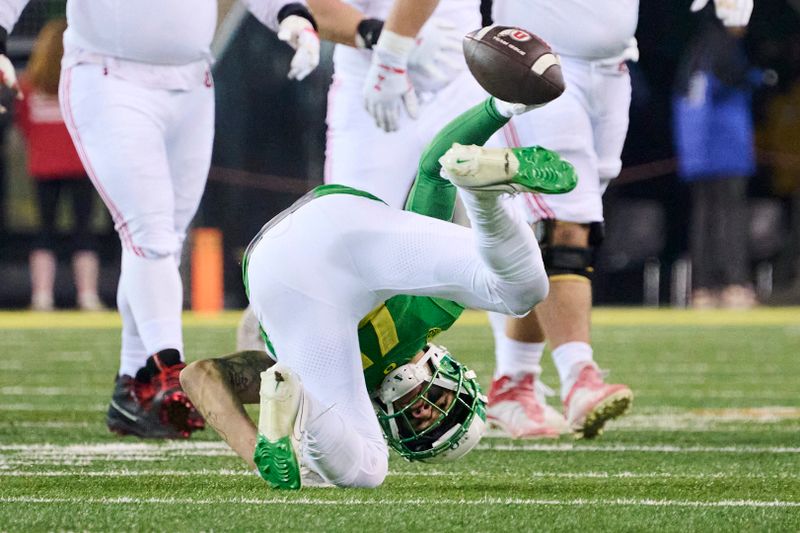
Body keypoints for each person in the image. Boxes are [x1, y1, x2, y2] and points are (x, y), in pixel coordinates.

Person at [181, 96, 578, 489]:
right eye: (442, 405)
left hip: (291, 270)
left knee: (367, 470)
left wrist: (260, 454)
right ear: (449, 374)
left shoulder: (337, 377)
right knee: (522, 293)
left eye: (419, 427)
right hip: (334, 237)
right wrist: (499, 108)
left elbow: (201, 376)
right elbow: (435, 171)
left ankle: (295, 407)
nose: (424, 412)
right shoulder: (434, 308)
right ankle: (485, 192)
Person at [0, 0, 321, 439]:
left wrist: (290, 14)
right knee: (149, 233)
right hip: (110, 77)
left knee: (162, 237)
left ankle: (134, 387)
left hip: (191, 81)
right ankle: (168, 368)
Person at [485, 0, 753, 440]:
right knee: (565, 220)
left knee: (562, 228)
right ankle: (578, 376)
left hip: (611, 69)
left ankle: (514, 382)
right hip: (535, 59)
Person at [236, 0, 491, 349]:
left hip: (461, 65)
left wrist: (393, 47)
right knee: (342, 237)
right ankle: (283, 335)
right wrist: (377, 38)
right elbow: (306, 6)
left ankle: (517, 376)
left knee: (505, 225)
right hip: (366, 75)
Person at [15, 18, 104, 312]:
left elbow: (24, 123)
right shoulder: (85, 84)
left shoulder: (29, 87)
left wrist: (42, 147)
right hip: (81, 165)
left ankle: (42, 295)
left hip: (43, 167)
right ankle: (87, 295)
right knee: (84, 230)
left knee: (45, 231)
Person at [673, 8, 757, 309]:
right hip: (726, 148)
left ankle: (704, 287)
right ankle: (734, 283)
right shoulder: (724, 45)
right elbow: (737, 77)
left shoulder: (696, 50)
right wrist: (761, 78)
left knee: (704, 217)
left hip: (698, 151)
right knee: (730, 217)